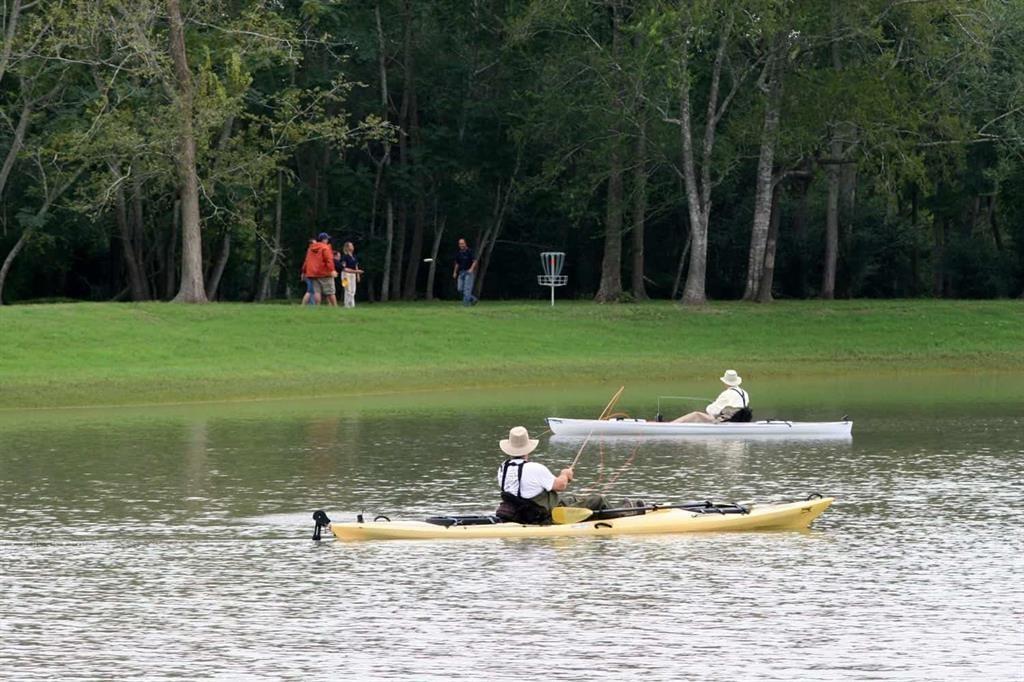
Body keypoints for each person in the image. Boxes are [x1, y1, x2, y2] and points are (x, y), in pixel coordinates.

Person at [494, 426, 608, 524]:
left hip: (520, 514)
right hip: (544, 514)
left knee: (572, 499)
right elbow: (560, 485)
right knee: (598, 500)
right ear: (527, 449)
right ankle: (622, 516)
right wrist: (565, 474)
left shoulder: (502, 468)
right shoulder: (535, 468)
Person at [673, 370, 752, 423]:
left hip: (728, 421)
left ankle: (671, 424)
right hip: (742, 420)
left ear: (725, 382)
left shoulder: (726, 393)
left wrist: (710, 407)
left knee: (696, 414)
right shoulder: (744, 393)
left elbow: (712, 411)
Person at [302, 232, 338, 306]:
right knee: (330, 292)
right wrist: (332, 270)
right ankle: (335, 307)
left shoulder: (311, 248)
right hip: (324, 273)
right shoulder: (325, 247)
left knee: (317, 292)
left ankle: (317, 306)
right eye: (327, 239)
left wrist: (304, 271)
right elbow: (329, 260)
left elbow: (307, 261)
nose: (328, 241)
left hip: (313, 274)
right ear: (324, 240)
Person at [452, 238, 478, 306]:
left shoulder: (470, 251)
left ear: (465, 243)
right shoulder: (458, 253)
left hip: (468, 273)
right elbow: (457, 264)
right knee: (460, 289)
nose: (461, 245)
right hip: (461, 273)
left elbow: (475, 261)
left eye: (462, 243)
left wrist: (471, 269)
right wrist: (454, 272)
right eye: (460, 244)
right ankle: (473, 299)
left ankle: (466, 305)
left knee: (467, 289)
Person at [339, 241, 364, 309]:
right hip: (345, 275)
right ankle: (347, 305)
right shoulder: (344, 257)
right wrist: (356, 271)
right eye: (351, 245)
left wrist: (357, 275)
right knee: (347, 289)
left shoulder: (354, 257)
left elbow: (356, 266)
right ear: (347, 247)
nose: (352, 247)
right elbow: (344, 268)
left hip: (353, 275)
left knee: (353, 290)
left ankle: (352, 305)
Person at [300, 239, 317, 305]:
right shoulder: (311, 252)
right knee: (310, 290)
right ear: (310, 245)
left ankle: (311, 305)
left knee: (312, 290)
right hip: (310, 273)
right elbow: (306, 263)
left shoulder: (311, 252)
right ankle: (303, 305)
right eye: (315, 243)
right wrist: (303, 272)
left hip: (309, 273)